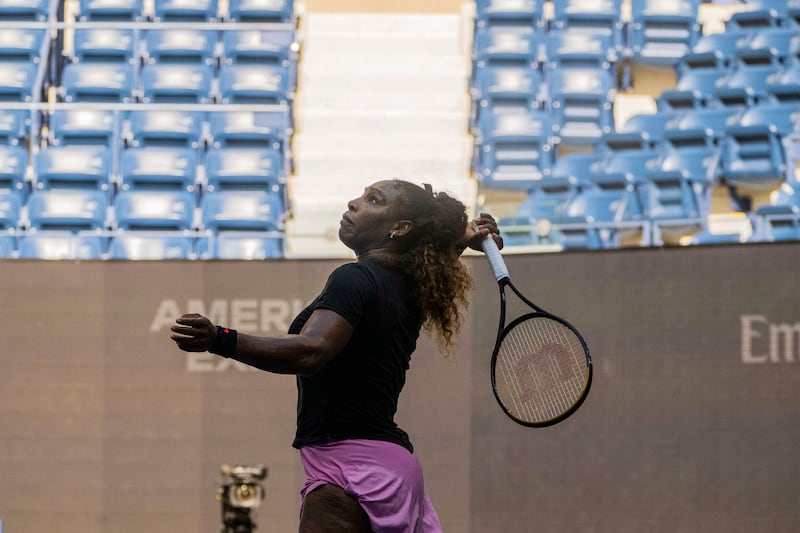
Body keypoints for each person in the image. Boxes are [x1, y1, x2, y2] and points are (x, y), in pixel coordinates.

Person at [170, 179, 503, 532]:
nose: (354, 203)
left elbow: (312, 351)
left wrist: (220, 339)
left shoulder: (355, 278)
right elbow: (429, 251)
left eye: (373, 200)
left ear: (400, 228)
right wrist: (461, 239)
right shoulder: (410, 281)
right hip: (389, 468)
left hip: (352, 470)